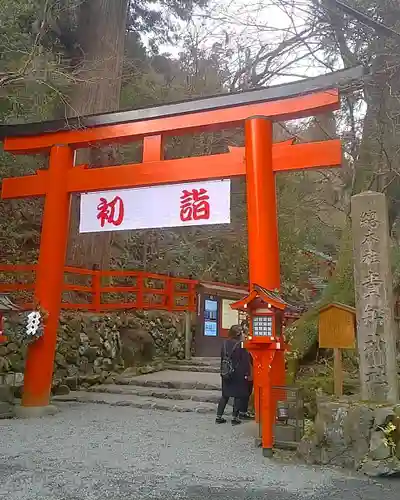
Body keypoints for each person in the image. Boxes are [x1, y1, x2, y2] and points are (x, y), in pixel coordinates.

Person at [216, 324, 252, 425]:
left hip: (226, 371)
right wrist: (247, 373)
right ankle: (234, 418)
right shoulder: (241, 344)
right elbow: (245, 360)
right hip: (238, 372)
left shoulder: (224, 343)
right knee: (238, 395)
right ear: (239, 334)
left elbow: (223, 357)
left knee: (225, 395)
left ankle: (219, 416)